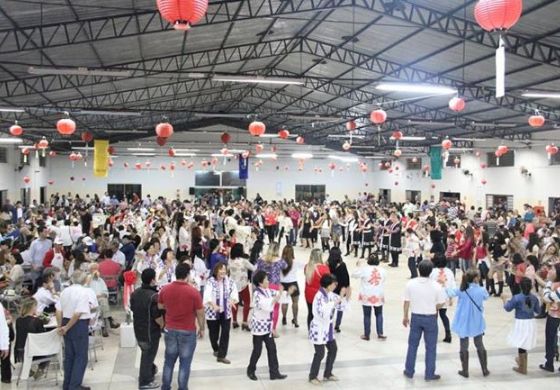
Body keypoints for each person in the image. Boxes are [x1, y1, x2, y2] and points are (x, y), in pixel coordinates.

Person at [158, 263, 205, 390]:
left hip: (170, 329)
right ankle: (182, 387)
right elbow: (200, 313)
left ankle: (166, 386)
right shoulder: (193, 292)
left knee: (169, 361)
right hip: (187, 330)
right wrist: (202, 328)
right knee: (184, 363)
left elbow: (160, 306)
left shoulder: (165, 289)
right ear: (188, 275)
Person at [403, 260, 447, 381]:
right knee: (431, 347)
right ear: (431, 271)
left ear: (418, 269)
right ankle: (429, 373)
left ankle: (409, 370)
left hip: (416, 316)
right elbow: (442, 302)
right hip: (430, 318)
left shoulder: (411, 284)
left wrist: (405, 316)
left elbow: (406, 301)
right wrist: (433, 307)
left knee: (412, 345)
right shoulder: (437, 286)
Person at [445, 269, 490, 378]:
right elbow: (486, 297)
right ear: (475, 279)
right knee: (479, 344)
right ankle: (484, 369)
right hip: (477, 321)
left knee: (463, 346)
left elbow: (449, 292)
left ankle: (465, 371)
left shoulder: (461, 290)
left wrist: (443, 284)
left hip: (463, 322)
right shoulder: (481, 290)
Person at [246, 270, 288, 382]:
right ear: (260, 283)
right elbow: (267, 306)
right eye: (266, 280)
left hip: (267, 326)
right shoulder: (257, 294)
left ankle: (274, 372)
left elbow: (279, 295)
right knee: (257, 350)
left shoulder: (267, 290)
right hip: (259, 326)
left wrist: (284, 292)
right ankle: (250, 370)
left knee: (272, 349)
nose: (268, 281)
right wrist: (278, 295)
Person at [55, 270, 92, 390]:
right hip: (77, 324)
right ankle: (74, 386)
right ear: (84, 280)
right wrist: (67, 327)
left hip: (65, 321)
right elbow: (77, 313)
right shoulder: (83, 292)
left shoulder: (65, 291)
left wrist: (61, 326)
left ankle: (68, 384)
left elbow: (58, 310)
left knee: (70, 356)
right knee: (81, 356)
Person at [130, 268, 164, 390]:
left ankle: (149, 372)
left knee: (146, 354)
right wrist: (162, 325)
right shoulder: (153, 296)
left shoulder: (135, 293)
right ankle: (145, 381)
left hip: (138, 329)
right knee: (148, 355)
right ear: (152, 280)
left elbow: (133, 308)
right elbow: (157, 316)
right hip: (150, 331)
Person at [308, 274, 345, 384]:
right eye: (334, 284)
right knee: (320, 353)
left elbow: (339, 304)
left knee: (333, 349)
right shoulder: (319, 296)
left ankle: (327, 374)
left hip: (327, 328)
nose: (335, 285)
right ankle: (312, 376)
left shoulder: (330, 294)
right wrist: (335, 302)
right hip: (319, 328)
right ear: (328, 285)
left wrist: (343, 297)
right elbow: (323, 312)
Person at [502, 277, 540, 375]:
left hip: (521, 322)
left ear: (520, 286)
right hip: (531, 322)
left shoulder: (517, 297)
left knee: (521, 343)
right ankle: (522, 363)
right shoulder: (534, 298)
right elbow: (538, 311)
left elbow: (507, 308)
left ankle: (522, 367)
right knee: (525, 343)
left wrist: (504, 299)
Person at [203, 263, 238, 364]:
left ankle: (222, 355)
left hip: (225, 311)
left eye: (224, 269)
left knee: (225, 333)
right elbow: (207, 295)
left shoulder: (230, 281)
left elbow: (234, 293)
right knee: (213, 333)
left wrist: (232, 300)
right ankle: (216, 348)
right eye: (221, 269)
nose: (223, 271)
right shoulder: (210, 281)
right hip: (213, 311)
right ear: (216, 271)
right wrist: (213, 305)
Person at [352, 252, 386, 341]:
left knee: (367, 315)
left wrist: (358, 266)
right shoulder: (383, 270)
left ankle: (367, 335)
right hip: (378, 294)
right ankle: (380, 333)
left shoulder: (364, 269)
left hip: (367, 295)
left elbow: (354, 275)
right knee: (379, 314)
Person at [256, 242, 287, 334]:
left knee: (264, 306)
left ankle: (264, 325)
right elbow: (285, 266)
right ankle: (273, 329)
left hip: (262, 285)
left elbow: (257, 269)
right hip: (274, 286)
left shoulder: (261, 259)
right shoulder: (279, 260)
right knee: (275, 308)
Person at [14, 298, 47, 379]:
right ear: (32, 307)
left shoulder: (18, 321)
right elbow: (42, 338)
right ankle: (41, 368)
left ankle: (28, 369)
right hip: (35, 353)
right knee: (50, 348)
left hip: (21, 352)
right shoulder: (37, 321)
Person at [429, 253, 455, 343]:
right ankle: (448, 334)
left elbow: (429, 284)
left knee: (434, 316)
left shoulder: (433, 272)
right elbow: (452, 286)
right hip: (445, 296)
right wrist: (451, 297)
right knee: (443, 315)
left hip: (435, 297)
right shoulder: (449, 272)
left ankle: (433, 335)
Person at [228, 243, 256, 331]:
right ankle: (244, 322)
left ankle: (235, 321)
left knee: (234, 303)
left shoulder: (230, 260)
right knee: (247, 302)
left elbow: (228, 270)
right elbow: (254, 268)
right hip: (243, 284)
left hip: (233, 284)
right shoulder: (244, 261)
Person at [540, 263, 560, 372]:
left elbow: (547, 298)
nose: (550, 270)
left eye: (552, 269)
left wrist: (548, 283)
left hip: (554, 316)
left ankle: (549, 364)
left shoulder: (554, 285)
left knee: (550, 339)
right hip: (554, 315)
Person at [304, 249, 330, 328]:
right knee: (320, 314)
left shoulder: (307, 267)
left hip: (308, 292)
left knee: (310, 313)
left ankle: (310, 331)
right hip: (320, 294)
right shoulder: (324, 268)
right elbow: (328, 281)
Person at [327, 247, 350, 332]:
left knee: (331, 307)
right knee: (340, 309)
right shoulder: (342, 265)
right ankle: (337, 325)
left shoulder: (327, 265)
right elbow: (346, 279)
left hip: (331, 290)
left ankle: (329, 322)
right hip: (341, 291)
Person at [280, 245, 300, 327]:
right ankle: (295, 319)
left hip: (282, 284)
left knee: (284, 302)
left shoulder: (280, 262)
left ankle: (284, 318)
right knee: (295, 302)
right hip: (293, 284)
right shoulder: (295, 262)